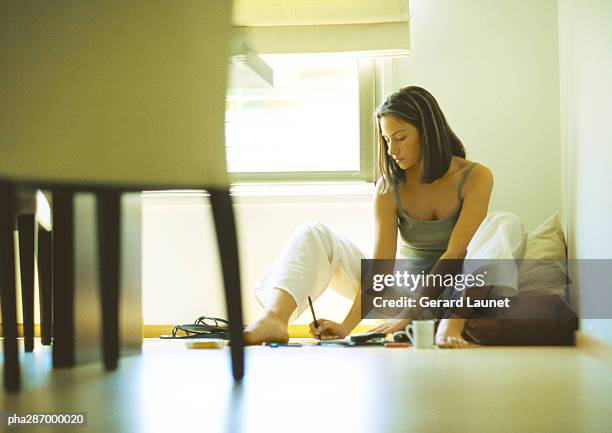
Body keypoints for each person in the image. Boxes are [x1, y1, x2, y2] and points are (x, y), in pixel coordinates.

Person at [243, 86, 523, 348]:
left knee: (504, 223)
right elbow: (381, 270)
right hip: (404, 294)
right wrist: (346, 327)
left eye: (400, 137)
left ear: (428, 132)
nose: (392, 150)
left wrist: (410, 314)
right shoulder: (390, 187)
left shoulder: (475, 176)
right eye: (387, 139)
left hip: (458, 293)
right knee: (314, 232)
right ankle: (275, 318)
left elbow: (456, 252)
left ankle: (452, 324)